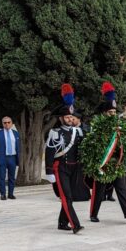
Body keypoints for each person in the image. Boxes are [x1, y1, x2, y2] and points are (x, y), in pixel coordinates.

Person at [88, 82, 126, 224]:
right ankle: (93, 214)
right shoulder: (97, 127)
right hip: (103, 164)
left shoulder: (119, 127)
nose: (113, 115)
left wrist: (123, 161)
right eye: (110, 112)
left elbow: (124, 145)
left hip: (116, 164)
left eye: (114, 112)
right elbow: (93, 146)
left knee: (122, 189)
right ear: (104, 113)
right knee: (99, 191)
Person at [44, 84, 84, 234]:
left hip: (74, 168)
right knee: (66, 197)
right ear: (61, 118)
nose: (69, 119)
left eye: (71, 117)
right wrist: (49, 171)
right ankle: (75, 224)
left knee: (70, 197)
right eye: (67, 117)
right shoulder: (55, 133)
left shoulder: (78, 131)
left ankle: (62, 222)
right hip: (60, 168)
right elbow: (49, 152)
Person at [0, 116, 19, 200]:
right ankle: (3, 194)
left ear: (11, 123)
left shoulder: (16, 133)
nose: (7, 124)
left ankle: (11, 194)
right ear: (2, 124)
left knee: (12, 177)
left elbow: (18, 147)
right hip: (1, 158)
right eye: (5, 123)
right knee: (1, 177)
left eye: (8, 122)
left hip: (12, 158)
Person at [70, 111, 91, 202]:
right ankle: (72, 194)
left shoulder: (86, 129)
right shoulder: (70, 128)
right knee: (73, 176)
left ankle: (82, 195)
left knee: (81, 177)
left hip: (82, 156)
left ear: (78, 119)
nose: (71, 120)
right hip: (72, 157)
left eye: (73, 119)